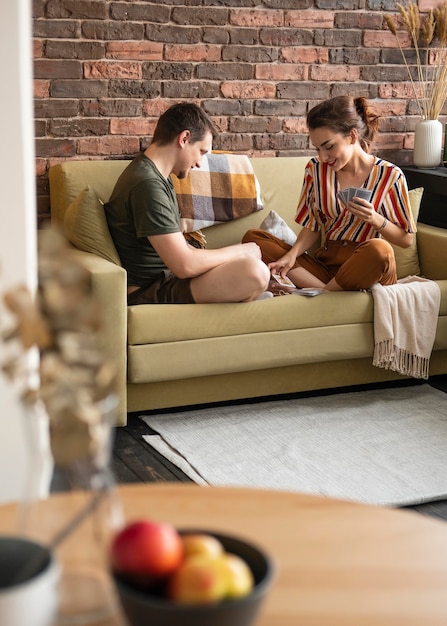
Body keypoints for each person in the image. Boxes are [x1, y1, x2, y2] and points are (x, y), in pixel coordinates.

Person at [242, 96, 416, 292]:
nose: (322, 157)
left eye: (329, 146)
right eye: (317, 149)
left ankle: (319, 293)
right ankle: (328, 292)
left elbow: (406, 239)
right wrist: (291, 255)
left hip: (366, 266)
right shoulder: (315, 170)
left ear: (352, 136)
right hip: (326, 266)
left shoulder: (390, 175)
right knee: (253, 239)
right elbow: (313, 225)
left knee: (380, 250)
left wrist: (375, 219)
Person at [104, 102, 270, 304]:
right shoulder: (147, 184)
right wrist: (243, 250)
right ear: (184, 138)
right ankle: (249, 293)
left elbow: (182, 249)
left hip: (168, 279)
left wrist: (238, 256)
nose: (200, 162)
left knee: (252, 268)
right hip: (150, 290)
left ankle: (250, 293)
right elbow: (184, 266)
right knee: (255, 273)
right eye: (201, 151)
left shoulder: (159, 177)